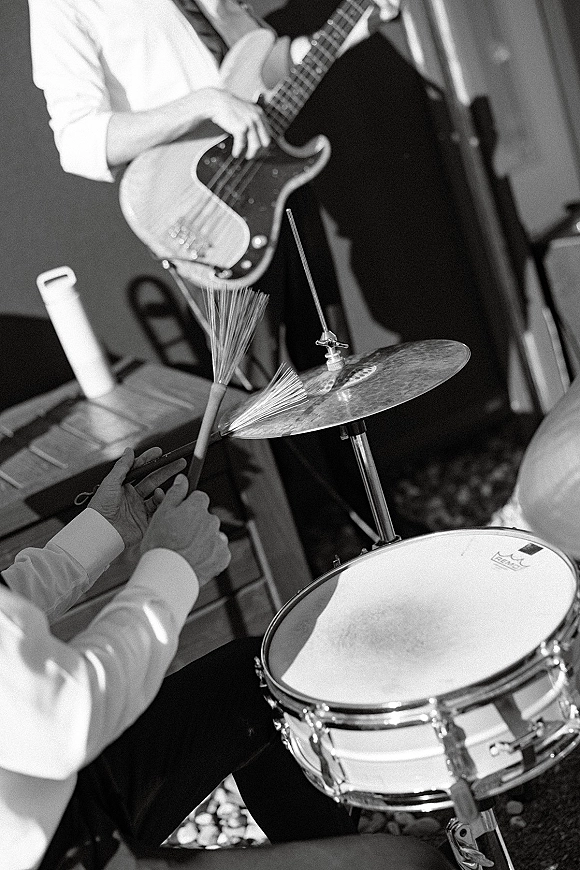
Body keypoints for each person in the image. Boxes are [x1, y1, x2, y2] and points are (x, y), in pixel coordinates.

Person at [0, 444, 453, 870]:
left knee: (253, 676)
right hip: (51, 851)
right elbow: (61, 720)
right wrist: (172, 566)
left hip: (47, 791)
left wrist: (100, 531)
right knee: (413, 864)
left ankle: (326, 839)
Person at [27, 0, 400, 381]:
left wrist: (348, 31)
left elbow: (260, 66)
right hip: (208, 212)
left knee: (336, 368)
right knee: (256, 402)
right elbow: (79, 141)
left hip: (280, 178)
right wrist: (204, 104)